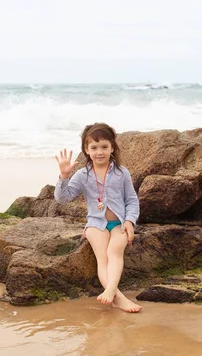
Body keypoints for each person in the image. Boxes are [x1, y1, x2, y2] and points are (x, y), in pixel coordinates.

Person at [54, 123, 142, 313]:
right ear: (86, 150)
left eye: (104, 146)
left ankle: (110, 291)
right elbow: (62, 198)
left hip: (119, 222)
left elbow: (132, 201)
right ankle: (118, 297)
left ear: (112, 147)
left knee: (115, 252)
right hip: (95, 224)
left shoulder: (121, 173)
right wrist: (63, 176)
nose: (99, 152)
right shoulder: (82, 175)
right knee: (103, 258)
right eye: (93, 147)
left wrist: (129, 221)